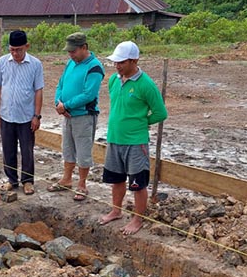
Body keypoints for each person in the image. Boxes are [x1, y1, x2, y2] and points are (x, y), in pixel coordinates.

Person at [98, 41, 168, 235]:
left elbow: (161, 113)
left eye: (121, 62)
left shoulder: (146, 85)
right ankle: (116, 210)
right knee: (116, 178)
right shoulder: (114, 80)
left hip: (135, 142)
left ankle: (138, 219)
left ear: (134, 60)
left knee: (138, 183)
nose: (117, 66)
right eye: (115, 62)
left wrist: (141, 122)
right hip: (114, 138)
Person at [48, 32, 104, 201]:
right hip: (67, 114)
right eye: (69, 52)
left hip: (84, 116)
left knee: (83, 150)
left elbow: (89, 94)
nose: (70, 54)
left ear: (84, 48)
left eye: (73, 51)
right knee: (68, 148)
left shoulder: (94, 67)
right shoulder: (70, 63)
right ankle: (66, 179)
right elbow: (60, 84)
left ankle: (82, 183)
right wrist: (59, 103)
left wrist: (67, 105)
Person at [0, 30, 44, 195]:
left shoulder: (35, 64)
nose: (15, 53)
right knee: (8, 149)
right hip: (7, 114)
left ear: (26, 46)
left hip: (26, 117)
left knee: (27, 150)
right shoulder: (1, 62)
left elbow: (38, 91)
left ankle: (27, 181)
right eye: (12, 49)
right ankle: (11, 180)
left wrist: (36, 115)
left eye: (19, 49)